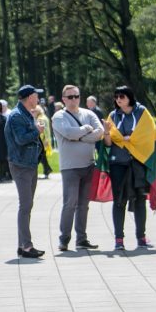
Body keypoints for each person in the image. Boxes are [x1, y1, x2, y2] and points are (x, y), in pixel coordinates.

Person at [103, 86, 156, 251]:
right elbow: (108, 143)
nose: (118, 99)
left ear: (130, 97)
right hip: (118, 163)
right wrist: (106, 133)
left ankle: (141, 237)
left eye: (122, 96)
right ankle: (119, 239)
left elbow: (149, 134)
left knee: (140, 199)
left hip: (138, 162)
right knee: (119, 201)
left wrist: (129, 140)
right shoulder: (113, 116)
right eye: (116, 97)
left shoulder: (142, 113)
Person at [51, 85, 104, 251]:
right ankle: (64, 239)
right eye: (70, 97)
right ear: (64, 99)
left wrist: (79, 137)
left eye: (76, 96)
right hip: (70, 168)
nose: (74, 99)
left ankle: (81, 239)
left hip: (89, 165)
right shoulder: (58, 116)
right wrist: (85, 130)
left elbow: (100, 132)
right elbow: (68, 133)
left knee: (84, 204)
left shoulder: (88, 113)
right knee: (70, 203)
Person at [5, 85, 46, 259]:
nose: (38, 100)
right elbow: (21, 139)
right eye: (37, 96)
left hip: (29, 164)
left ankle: (23, 246)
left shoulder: (24, 113)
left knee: (27, 205)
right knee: (25, 205)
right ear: (30, 97)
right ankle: (27, 246)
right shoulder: (16, 116)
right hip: (21, 165)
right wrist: (36, 130)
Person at [32, 105, 53, 179]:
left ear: (37, 111)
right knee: (42, 157)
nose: (32, 112)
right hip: (44, 140)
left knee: (39, 157)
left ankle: (46, 170)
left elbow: (42, 131)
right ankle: (47, 170)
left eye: (33, 111)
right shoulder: (43, 117)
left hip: (41, 140)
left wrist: (44, 141)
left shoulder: (40, 119)